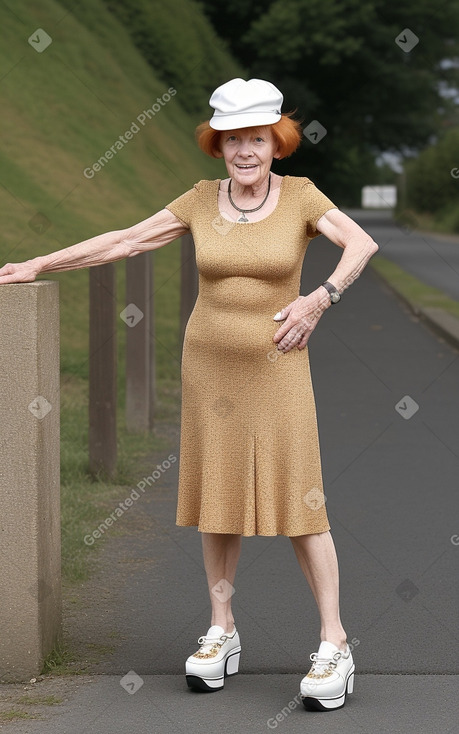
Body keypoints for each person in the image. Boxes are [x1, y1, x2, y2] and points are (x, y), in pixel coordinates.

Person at [0, 77, 378, 711]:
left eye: (258, 139)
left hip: (279, 368)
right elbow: (128, 239)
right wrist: (41, 264)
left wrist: (320, 299)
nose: (246, 152)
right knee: (217, 495)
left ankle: (335, 642)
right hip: (210, 372)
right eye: (233, 141)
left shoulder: (302, 198)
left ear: (277, 142)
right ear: (219, 146)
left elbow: (360, 244)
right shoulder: (202, 201)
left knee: (299, 498)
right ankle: (221, 630)